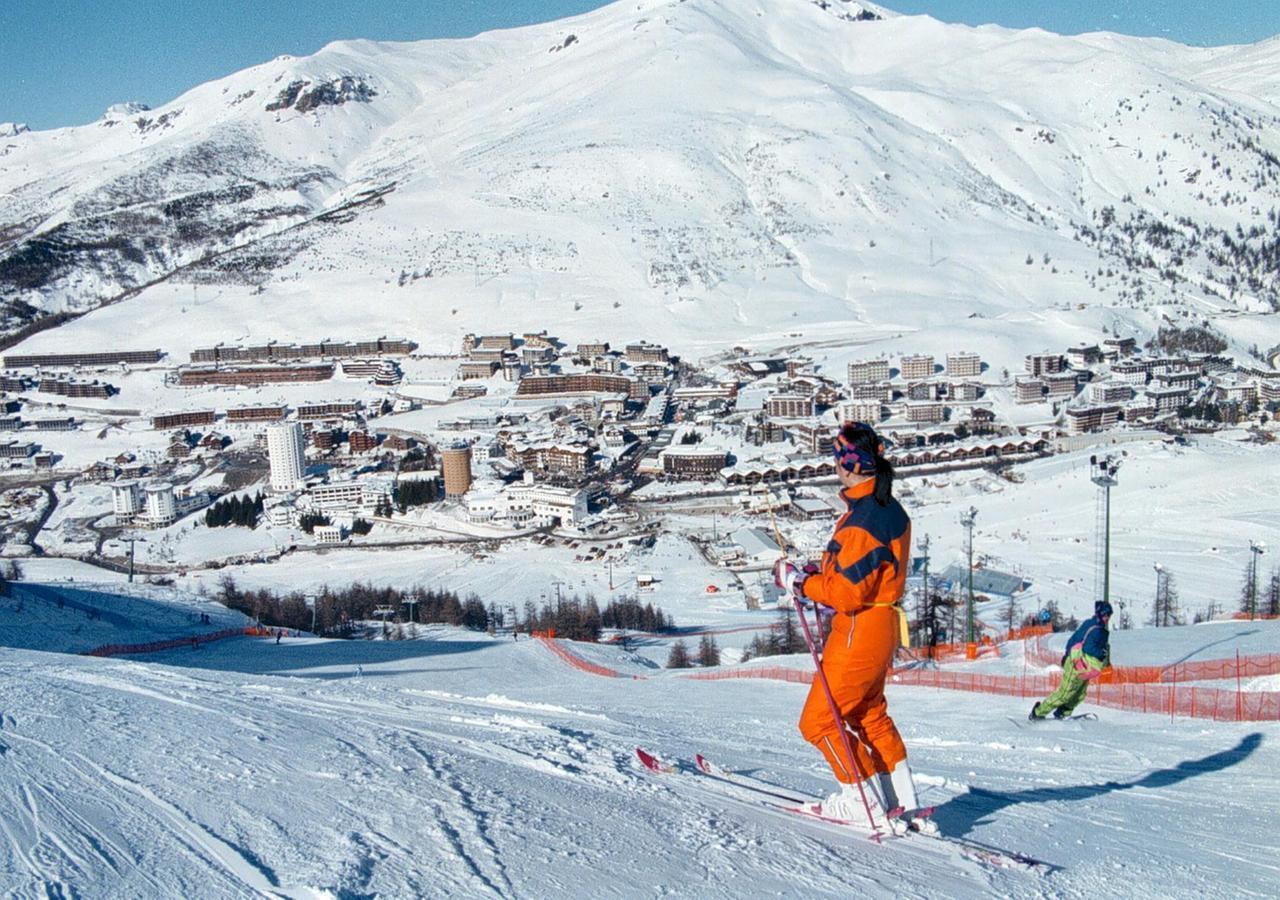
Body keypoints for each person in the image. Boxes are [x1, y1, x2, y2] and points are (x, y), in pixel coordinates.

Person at [773, 421, 932, 834]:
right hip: (882, 623)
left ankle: (859, 799)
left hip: (858, 627)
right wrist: (818, 572)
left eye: (837, 458)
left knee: (818, 720)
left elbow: (845, 594)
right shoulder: (887, 508)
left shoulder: (862, 519)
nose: (834, 466)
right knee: (867, 711)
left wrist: (799, 583)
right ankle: (899, 797)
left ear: (851, 464)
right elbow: (859, 573)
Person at [1030, 600, 1112, 720]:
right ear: (1099, 614)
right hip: (1076, 664)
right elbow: (1088, 648)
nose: (1107, 618)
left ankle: (1063, 713)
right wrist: (1101, 653)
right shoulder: (1094, 628)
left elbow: (1074, 639)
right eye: (1105, 614)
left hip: (1086, 667)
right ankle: (1038, 712)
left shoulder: (1096, 627)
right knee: (1064, 694)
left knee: (1079, 694)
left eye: (1109, 615)